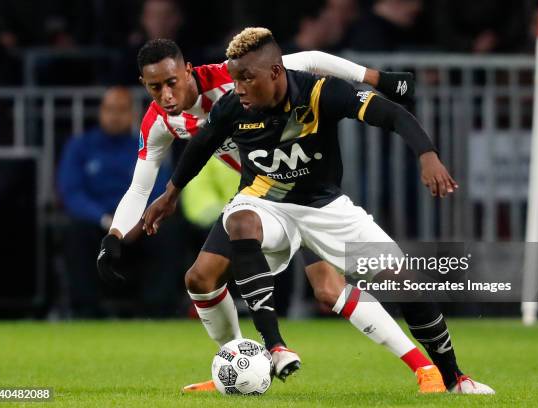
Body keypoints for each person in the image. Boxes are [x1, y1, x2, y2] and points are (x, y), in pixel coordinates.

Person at [140, 30, 494, 394]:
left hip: (323, 206)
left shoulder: (322, 92)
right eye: (235, 79)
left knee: (403, 282)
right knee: (239, 223)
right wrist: (169, 194)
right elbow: (200, 146)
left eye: (247, 78)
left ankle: (454, 378)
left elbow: (392, 114)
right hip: (265, 202)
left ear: (276, 73)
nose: (239, 88)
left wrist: (427, 154)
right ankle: (273, 346)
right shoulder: (234, 105)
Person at [57, 87, 181, 317]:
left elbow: (160, 190)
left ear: (133, 114)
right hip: (99, 223)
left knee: (170, 230)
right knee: (75, 231)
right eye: (109, 109)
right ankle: (86, 311)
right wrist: (109, 222)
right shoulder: (80, 146)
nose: (115, 115)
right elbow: (71, 193)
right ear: (101, 112)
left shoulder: (148, 145)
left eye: (122, 110)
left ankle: (158, 311)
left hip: (141, 226)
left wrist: (140, 221)